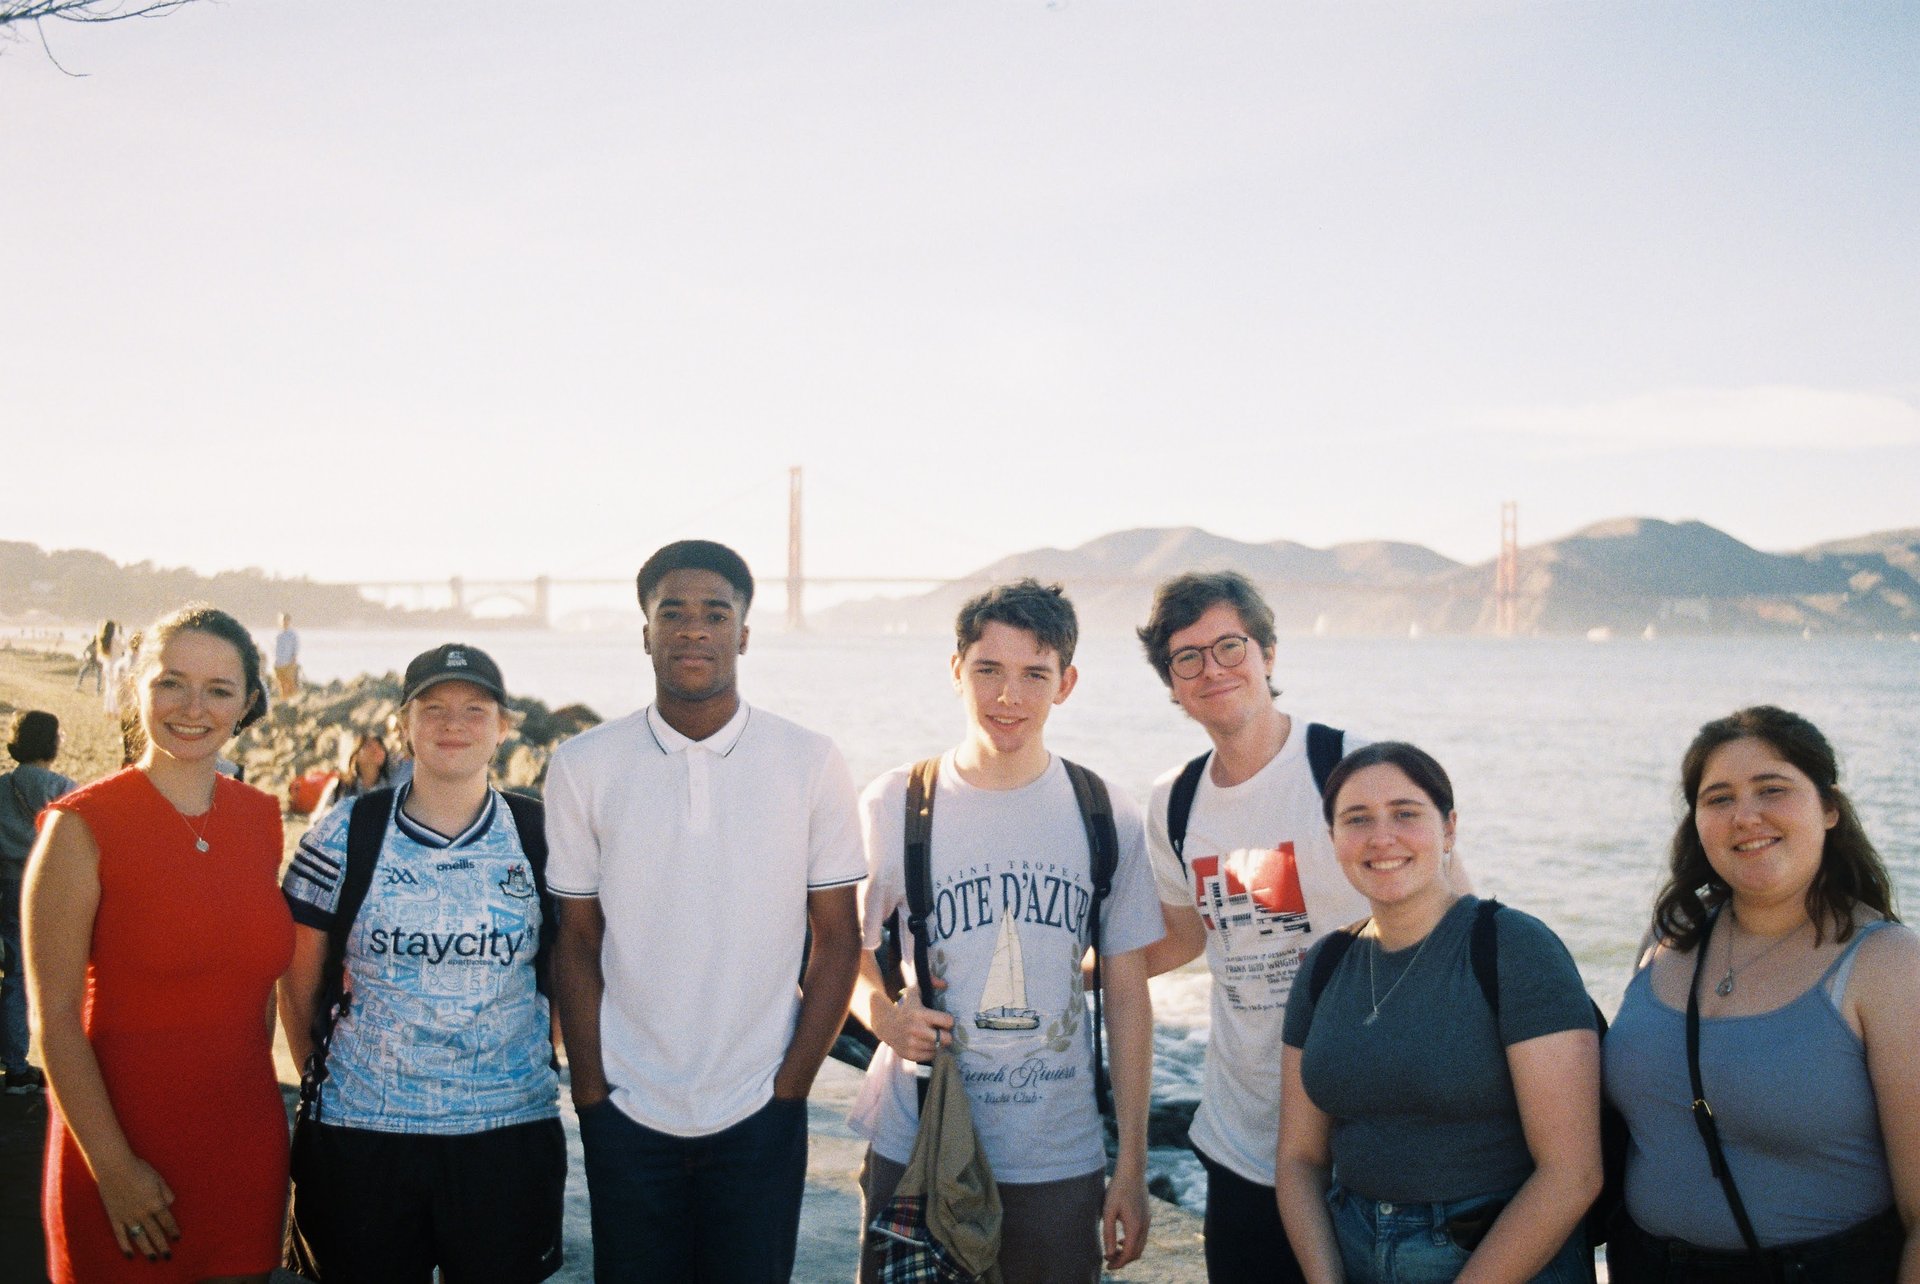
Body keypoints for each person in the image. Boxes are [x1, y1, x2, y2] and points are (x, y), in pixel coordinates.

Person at [1134, 571, 1472, 1282]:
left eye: (1230, 646)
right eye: (1186, 658)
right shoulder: (1175, 801)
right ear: (1170, 683)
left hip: (1371, 1144)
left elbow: (1457, 927)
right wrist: (1076, 972)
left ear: (1269, 655)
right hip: (1241, 1142)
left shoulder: (1350, 767)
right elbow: (1186, 934)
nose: (1212, 669)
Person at [546, 539, 866, 1282]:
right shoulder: (584, 764)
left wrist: (790, 1091)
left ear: (743, 635)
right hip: (626, 1108)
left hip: (760, 1107)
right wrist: (592, 1094)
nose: (694, 629)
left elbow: (838, 940)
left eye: (715, 614)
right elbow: (576, 940)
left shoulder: (809, 759)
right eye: (673, 613)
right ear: (646, 632)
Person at [849, 579, 1162, 1282]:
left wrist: (1133, 1167)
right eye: (988, 669)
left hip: (1056, 1155)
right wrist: (882, 1015)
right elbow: (844, 948)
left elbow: (1127, 993)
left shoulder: (1103, 811)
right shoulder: (897, 802)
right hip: (918, 1139)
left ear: (1067, 683)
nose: (1008, 697)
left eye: (1034, 675)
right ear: (956, 670)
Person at [277, 643, 565, 1283]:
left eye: (474, 709)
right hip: (362, 1136)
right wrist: (333, 1085)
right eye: (432, 708)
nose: (453, 724)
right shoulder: (344, 831)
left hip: (507, 1132)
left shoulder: (542, 833)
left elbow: (570, 965)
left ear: (503, 726)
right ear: (403, 724)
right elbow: (296, 987)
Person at [1603, 706, 1920, 1282]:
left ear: (1829, 809)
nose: (1744, 816)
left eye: (1772, 789)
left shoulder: (1889, 963)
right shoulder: (1671, 933)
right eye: (1718, 798)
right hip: (1642, 1264)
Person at [24, 604, 289, 1282]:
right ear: (137, 685)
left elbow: (254, 992)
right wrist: (114, 1170)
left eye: (219, 690)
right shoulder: (80, 828)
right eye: (171, 682)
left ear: (248, 703)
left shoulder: (261, 820)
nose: (192, 707)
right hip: (117, 1155)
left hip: (244, 1152)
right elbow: (51, 1021)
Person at [1275, 741, 1602, 1283]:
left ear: (1449, 829)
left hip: (1499, 1260)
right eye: (1357, 820)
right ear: (1333, 840)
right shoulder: (1326, 965)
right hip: (1352, 1252)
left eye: (1406, 814)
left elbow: (1572, 1173)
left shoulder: (1515, 947)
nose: (1382, 837)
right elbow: (1299, 1158)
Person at [1, 710, 76, 1094]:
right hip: (45, 887)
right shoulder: (61, 786)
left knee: (12, 970)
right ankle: (20, 1067)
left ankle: (13, 1062)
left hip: (6, 883)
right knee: (38, 977)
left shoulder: (3, 786)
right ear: (51, 742)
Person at [311, 731, 395, 813]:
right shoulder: (340, 787)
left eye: (380, 745)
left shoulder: (392, 785)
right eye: (368, 745)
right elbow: (321, 819)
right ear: (355, 756)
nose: (376, 749)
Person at [274, 613, 300, 700]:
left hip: (289, 663)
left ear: (289, 621)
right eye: (283, 620)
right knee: (281, 684)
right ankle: (283, 701)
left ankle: (293, 700)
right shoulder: (279, 635)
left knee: (291, 684)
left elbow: (295, 649)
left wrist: (293, 660)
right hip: (279, 664)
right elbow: (277, 649)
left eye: (286, 620)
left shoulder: (293, 634)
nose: (284, 622)